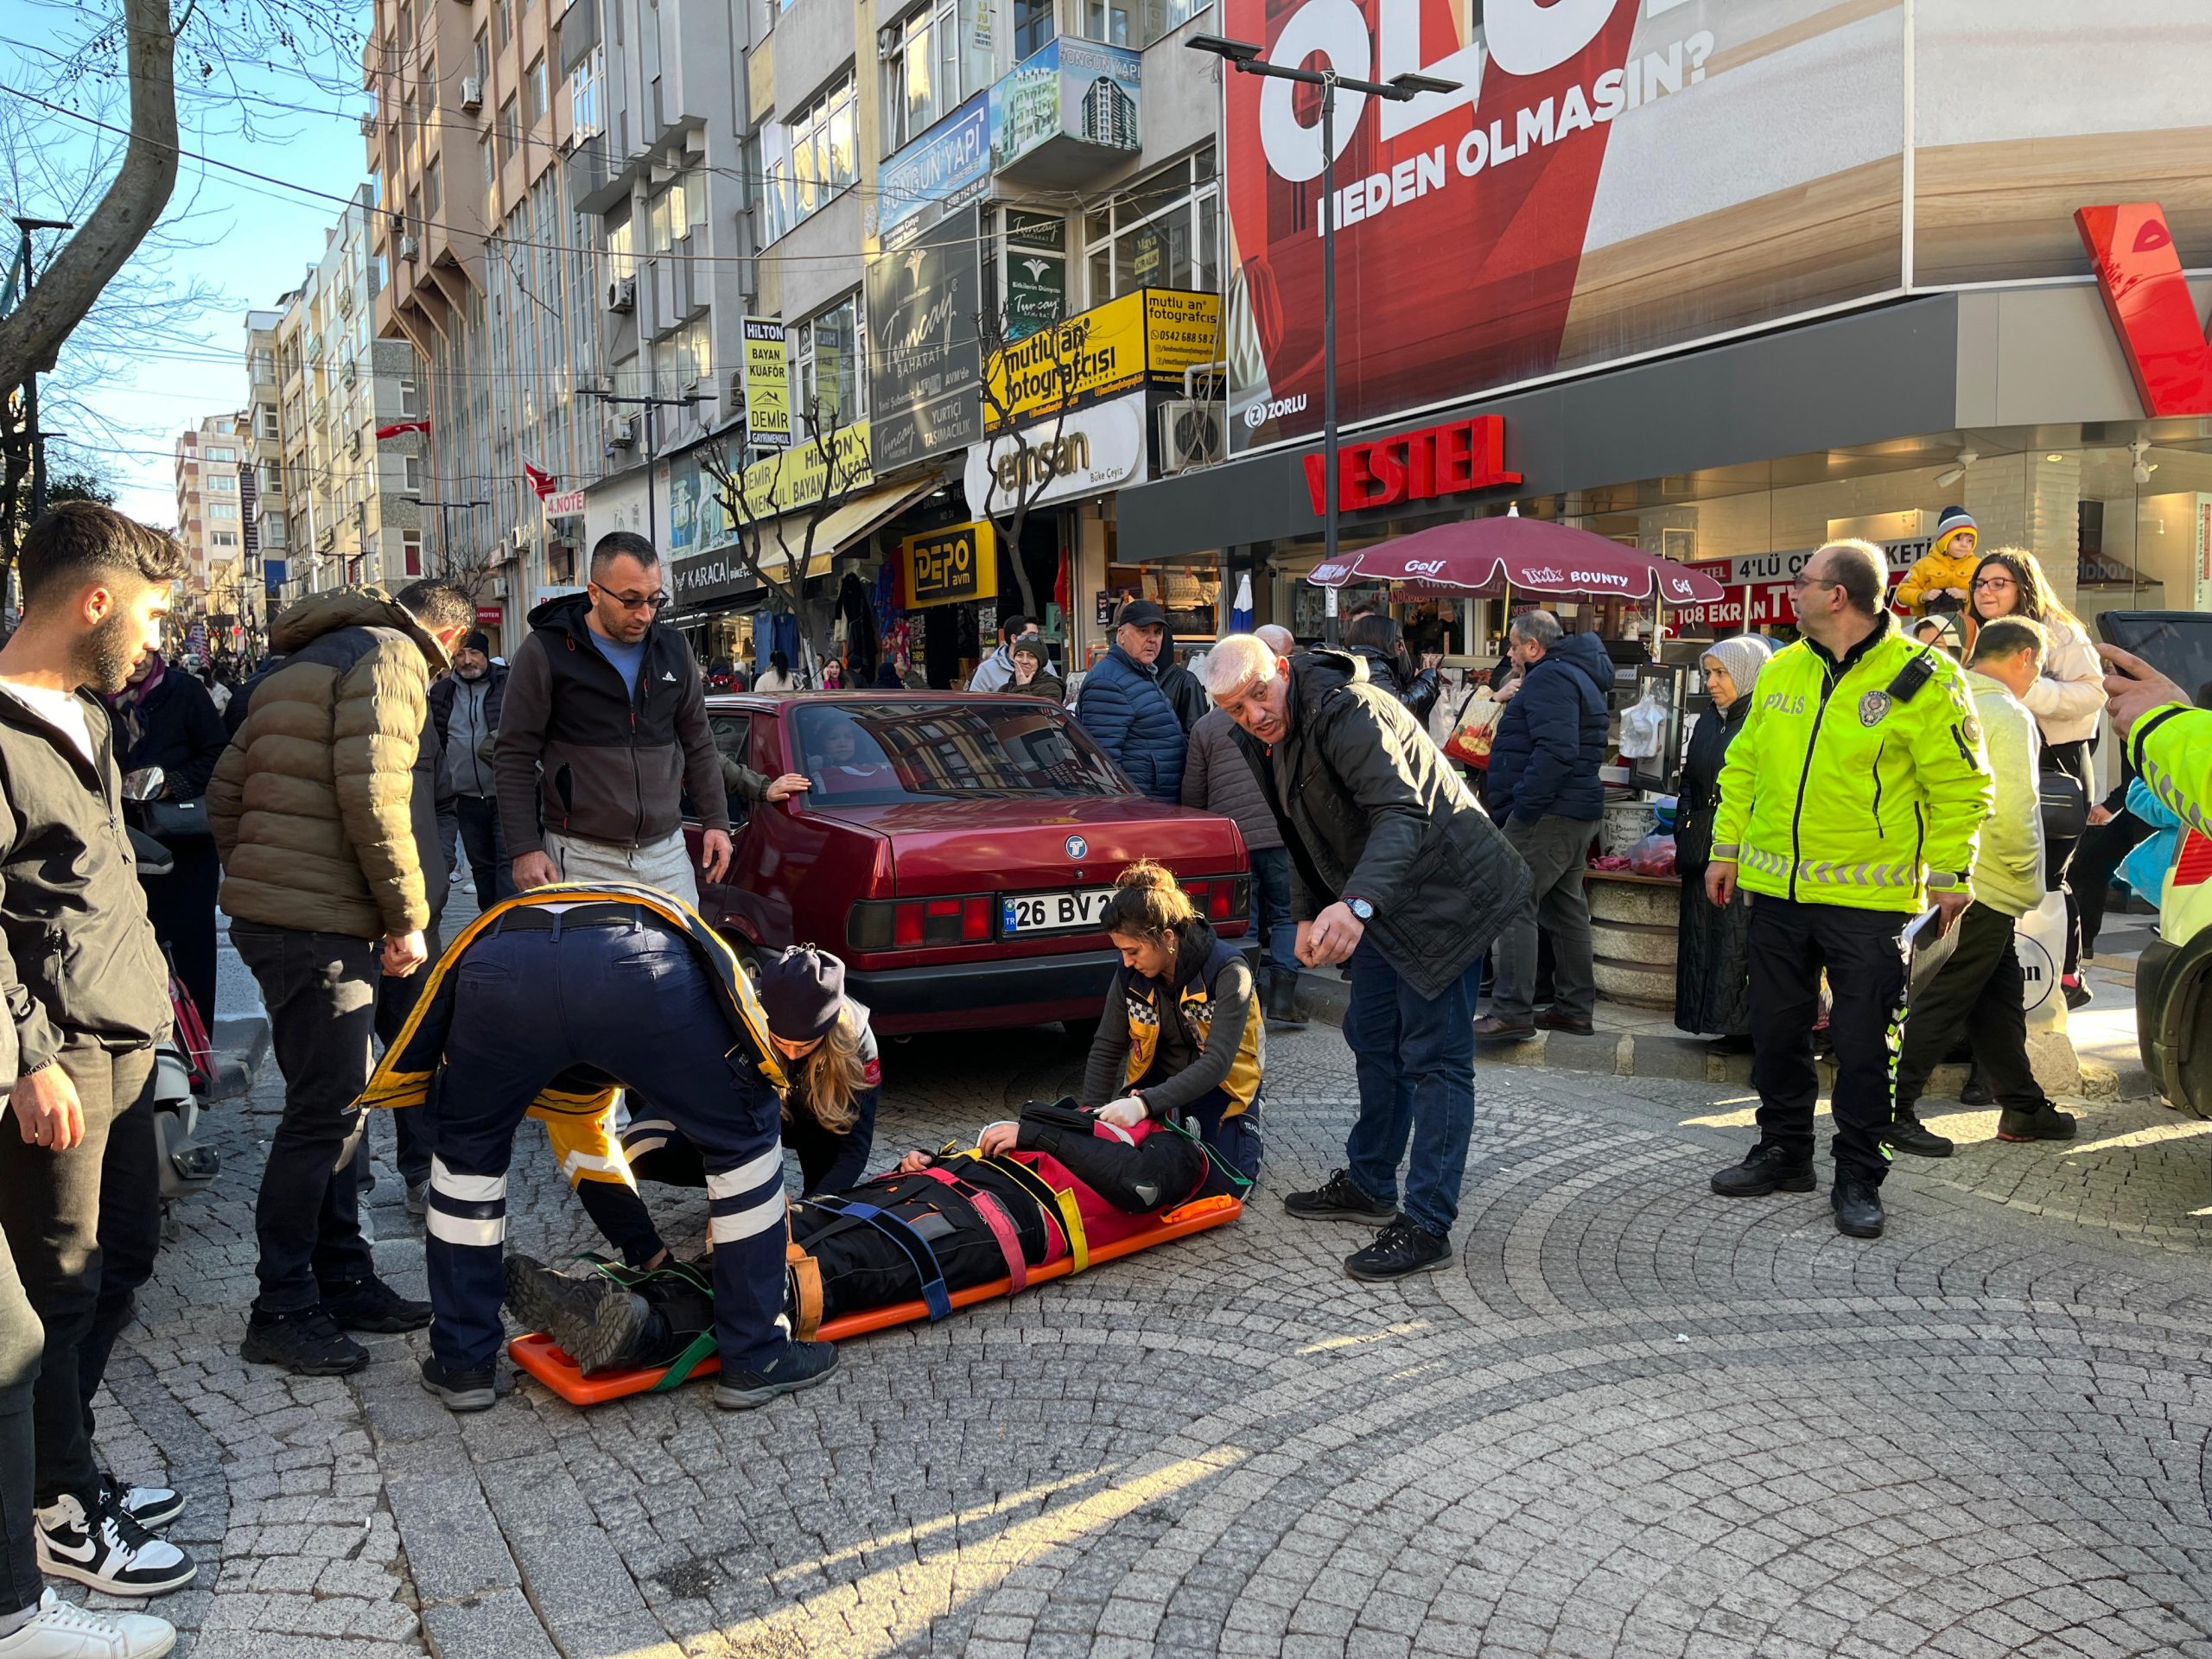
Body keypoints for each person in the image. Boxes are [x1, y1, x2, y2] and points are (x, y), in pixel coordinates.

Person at [361, 884, 836, 1413]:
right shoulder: (652, 1007)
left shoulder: (570, 1095)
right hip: (640, 962)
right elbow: (738, 1025)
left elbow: (588, 1156)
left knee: (463, 1166)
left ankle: (461, 1363)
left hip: (498, 960)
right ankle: (756, 1358)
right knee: (745, 1143)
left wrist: (645, 1250)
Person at [0, 505, 198, 1605]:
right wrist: (25, 1057)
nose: (154, 636)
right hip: (57, 1061)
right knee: (58, 1289)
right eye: (150, 611)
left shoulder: (88, 715)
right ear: (94, 602)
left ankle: (59, 1465)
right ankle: (58, 1510)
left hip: (125, 1041)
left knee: (120, 1263)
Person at [1201, 634, 1530, 1281]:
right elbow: (1293, 834)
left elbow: (1401, 814)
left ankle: (1428, 1223)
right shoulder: (1258, 738)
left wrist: (1353, 906)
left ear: (1283, 672)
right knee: (1373, 1033)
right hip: (1386, 897)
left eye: (1260, 695)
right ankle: (1372, 1182)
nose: (1256, 715)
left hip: (1450, 893)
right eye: (1237, 709)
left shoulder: (1354, 710)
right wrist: (1300, 915)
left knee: (1436, 1058)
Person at [210, 581, 473, 1377]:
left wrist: (262, 879)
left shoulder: (297, 663)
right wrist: (405, 916)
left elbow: (226, 795)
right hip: (318, 925)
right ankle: (282, 1306)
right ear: (450, 637)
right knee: (322, 1114)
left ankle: (343, 1277)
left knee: (341, 1105)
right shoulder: (394, 657)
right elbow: (376, 793)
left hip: (290, 918)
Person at [502, 1093, 1211, 1378]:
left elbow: (1139, 1190)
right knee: (776, 1233)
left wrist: (1039, 1130)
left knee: (827, 1268)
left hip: (1003, 1224)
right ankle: (611, 1302)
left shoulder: (1179, 1146)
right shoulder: (1093, 1113)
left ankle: (646, 1332)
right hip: (951, 1190)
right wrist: (940, 1162)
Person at [1705, 540, 1992, 1240]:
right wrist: (1725, 849)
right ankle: (1784, 1151)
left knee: (1865, 1045)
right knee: (1775, 1031)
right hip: (1777, 890)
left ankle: (1860, 1172)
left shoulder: (1923, 677)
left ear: (1838, 596)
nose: (1791, 593)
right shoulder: (1781, 670)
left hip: (1872, 901)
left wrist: (1954, 875)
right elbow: (1744, 764)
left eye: (1801, 582)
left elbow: (1960, 785)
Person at [569, 945, 880, 1271]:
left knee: (823, 1210)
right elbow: (707, 1111)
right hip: (749, 1114)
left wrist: (808, 1209)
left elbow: (854, 1149)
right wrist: (740, 1184)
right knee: (637, 1149)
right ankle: (740, 1185)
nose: (790, 1053)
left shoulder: (858, 1043)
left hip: (817, 1120)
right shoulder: (734, 1015)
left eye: (803, 1046)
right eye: (780, 1042)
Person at [1889, 618, 2077, 1154]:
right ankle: (1891, 1110)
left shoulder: (1940, 698)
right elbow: (2014, 809)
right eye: (2037, 665)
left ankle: (2023, 1106)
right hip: (1983, 882)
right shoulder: (2004, 712)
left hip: (1942, 872)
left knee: (1998, 999)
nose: (2035, 675)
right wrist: (2026, 881)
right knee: (1943, 999)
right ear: (2024, 656)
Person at [497, 533, 730, 906]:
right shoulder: (545, 651)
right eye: (631, 600)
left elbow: (699, 743)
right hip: (580, 858)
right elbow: (513, 755)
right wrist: (524, 848)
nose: (645, 614)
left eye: (655, 600)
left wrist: (716, 822)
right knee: (586, 966)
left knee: (683, 963)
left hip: (667, 856)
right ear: (594, 592)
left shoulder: (674, 649)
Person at [1967, 546, 2106, 1007]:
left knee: (2049, 875)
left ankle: (2061, 974)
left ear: (2023, 585)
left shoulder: (2061, 631)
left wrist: (2027, 691)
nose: (1986, 591)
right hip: (1995, 762)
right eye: (1980, 583)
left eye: (1998, 583)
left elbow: (2093, 693)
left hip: (2055, 765)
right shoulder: (1973, 631)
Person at [1078, 861, 1264, 1187]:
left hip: (1220, 1085)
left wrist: (1143, 1104)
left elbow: (1218, 1063)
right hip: (1155, 1081)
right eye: (1121, 951)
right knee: (1119, 1166)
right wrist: (1090, 1118)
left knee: (1224, 1184)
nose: (1126, 961)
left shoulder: (1230, 972)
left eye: (1133, 951)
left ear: (1166, 937)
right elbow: (1107, 1047)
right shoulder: (1130, 974)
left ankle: (1247, 1117)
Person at [1475, 611, 1611, 1041]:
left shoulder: (1550, 677)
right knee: (1564, 906)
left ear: (1534, 647)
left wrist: (1524, 807)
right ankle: (1573, 1008)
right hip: (1572, 809)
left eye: (1514, 646)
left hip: (1548, 811)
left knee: (1512, 899)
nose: (1511, 654)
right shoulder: (1573, 672)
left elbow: (1556, 750)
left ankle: (1513, 1010)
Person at [1183, 633, 1303, 1030]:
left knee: (1242, 921)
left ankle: (1242, 1000)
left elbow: (1193, 791)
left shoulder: (1205, 726)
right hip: (1282, 834)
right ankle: (1284, 994)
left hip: (1233, 840)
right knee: (1287, 915)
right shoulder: (1280, 713)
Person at [103, 649, 227, 1029]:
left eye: (147, 652)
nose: (138, 659)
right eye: (131, 651)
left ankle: (196, 1048)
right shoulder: (95, 698)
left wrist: (167, 784)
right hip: (121, 840)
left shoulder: (183, 691)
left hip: (182, 843)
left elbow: (218, 754)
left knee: (190, 949)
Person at [1674, 636, 1774, 1047]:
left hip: (1741, 851)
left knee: (1736, 941)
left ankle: (1743, 1029)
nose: (1712, 682)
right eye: (1708, 673)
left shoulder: (1761, 721)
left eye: (1721, 673)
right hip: (1702, 847)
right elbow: (1689, 781)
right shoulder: (1708, 719)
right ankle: (1714, 1020)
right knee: (1704, 937)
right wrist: (1685, 826)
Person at [427, 629, 511, 911]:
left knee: (508, 867)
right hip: (464, 799)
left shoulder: (508, 685)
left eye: (474, 652)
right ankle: (489, 928)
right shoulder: (441, 693)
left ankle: (510, 928)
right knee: (482, 870)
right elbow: (435, 743)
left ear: (485, 655)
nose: (467, 660)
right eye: (460, 654)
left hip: (506, 795)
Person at [1076, 599, 1187, 803]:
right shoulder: (1108, 681)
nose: (1153, 639)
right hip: (1140, 808)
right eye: (1143, 631)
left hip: (1155, 802)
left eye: (1158, 632)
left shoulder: (1139, 672)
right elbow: (1104, 764)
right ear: (1121, 635)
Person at [1342, 613, 1441, 727]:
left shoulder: (1367, 666)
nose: (1402, 649)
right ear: (1381, 641)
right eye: (1398, 642)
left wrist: (1418, 683)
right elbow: (1400, 708)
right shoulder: (1372, 668)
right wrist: (1426, 678)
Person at [1895, 505, 1979, 614]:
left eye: (1970, 540)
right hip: (1928, 624)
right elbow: (1902, 591)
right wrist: (1922, 596)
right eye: (1958, 539)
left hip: (1967, 624)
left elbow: (1988, 594)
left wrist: (1966, 595)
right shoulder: (1924, 564)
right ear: (1944, 539)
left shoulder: (1978, 565)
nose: (1964, 544)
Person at [967, 613, 1034, 693]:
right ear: (1014, 638)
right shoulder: (987, 669)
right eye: (1031, 636)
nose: (1036, 640)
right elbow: (975, 702)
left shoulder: (1046, 665)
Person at [1156, 638, 1209, 734]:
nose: (1151, 640)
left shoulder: (1187, 682)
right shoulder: (1131, 678)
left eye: (1157, 633)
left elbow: (1196, 735)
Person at [1004, 634, 1064, 703]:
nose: (1024, 661)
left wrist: (1022, 688)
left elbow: (1031, 713)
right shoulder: (1005, 689)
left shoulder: (1052, 689)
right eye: (1020, 655)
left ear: (1039, 662)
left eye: (1031, 656)